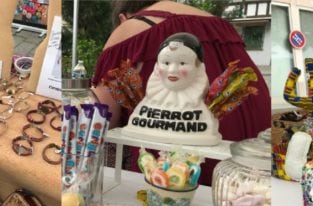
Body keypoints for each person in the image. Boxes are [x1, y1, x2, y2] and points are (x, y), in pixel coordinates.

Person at [91, 0, 270, 180]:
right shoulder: (221, 26)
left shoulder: (132, 27)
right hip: (255, 159)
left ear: (123, 18)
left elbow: (99, 119)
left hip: (177, 171)